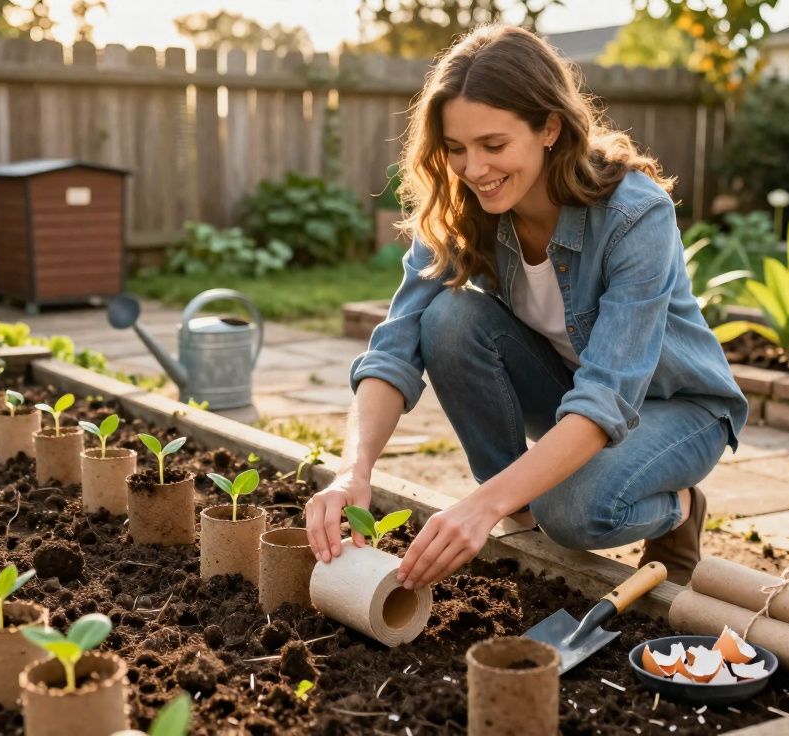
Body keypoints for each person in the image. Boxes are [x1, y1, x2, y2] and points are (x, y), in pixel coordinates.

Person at [304, 24, 748, 587]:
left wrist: (478, 506)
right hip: (570, 388)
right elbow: (395, 347)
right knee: (448, 318)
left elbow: (607, 396)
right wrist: (352, 471)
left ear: (550, 128)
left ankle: (679, 508)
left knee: (574, 510)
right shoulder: (459, 208)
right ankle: (517, 510)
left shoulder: (635, 215)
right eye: (456, 149)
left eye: (493, 146)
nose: (474, 169)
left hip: (678, 408)